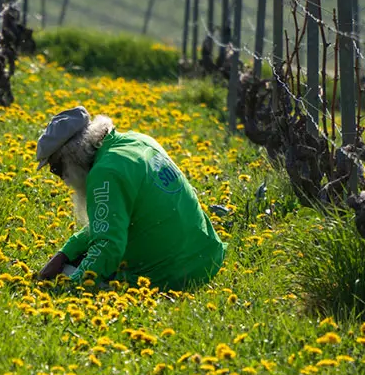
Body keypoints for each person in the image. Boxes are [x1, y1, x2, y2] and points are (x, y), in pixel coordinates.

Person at [34, 105, 225, 290]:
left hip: (172, 273)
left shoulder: (106, 172)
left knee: (65, 275)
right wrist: (65, 252)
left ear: (73, 156)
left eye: (57, 169)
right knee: (73, 261)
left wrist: (69, 288)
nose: (63, 180)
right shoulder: (136, 141)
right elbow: (114, 218)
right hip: (204, 257)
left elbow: (108, 246)